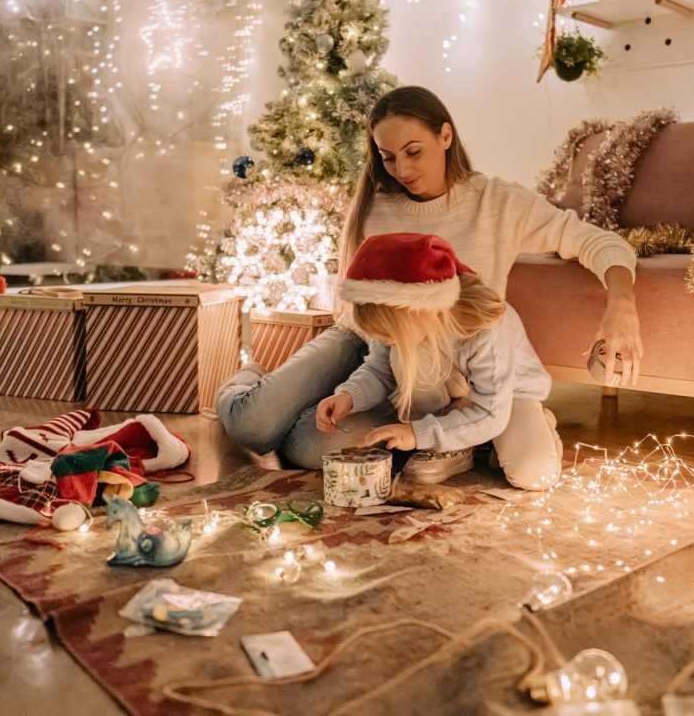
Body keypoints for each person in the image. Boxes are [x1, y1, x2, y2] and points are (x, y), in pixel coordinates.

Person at [217, 85, 641, 468]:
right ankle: (252, 378)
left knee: (307, 448)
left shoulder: (496, 202)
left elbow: (597, 242)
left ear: (445, 136)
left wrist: (620, 308)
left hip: (437, 355)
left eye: (413, 152)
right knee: (252, 426)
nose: (401, 170)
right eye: (388, 158)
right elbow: (364, 316)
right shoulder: (376, 204)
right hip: (367, 339)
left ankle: (334, 415)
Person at [316, 233, 562, 489]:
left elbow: (491, 412)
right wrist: (349, 396)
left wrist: (416, 433)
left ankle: (519, 430)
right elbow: (380, 371)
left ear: (419, 310)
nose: (386, 341)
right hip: (447, 400)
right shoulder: (398, 327)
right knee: (411, 355)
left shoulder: (487, 328)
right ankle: (458, 444)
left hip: (507, 398)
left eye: (389, 333)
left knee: (534, 474)